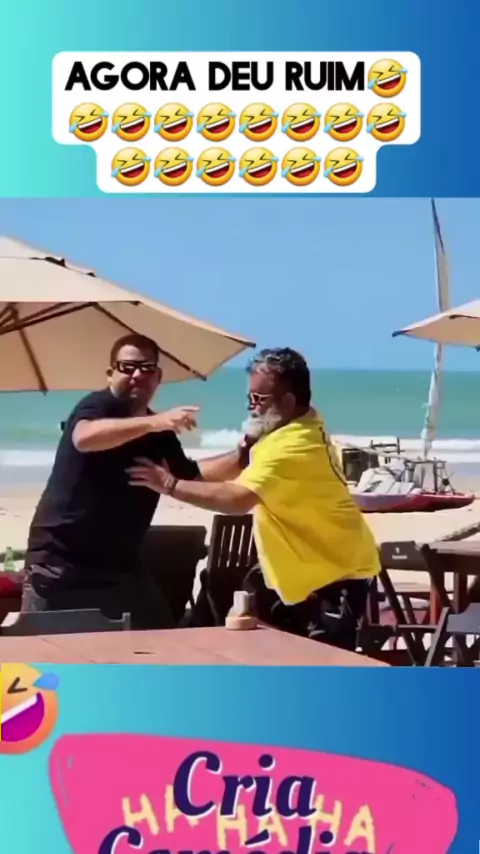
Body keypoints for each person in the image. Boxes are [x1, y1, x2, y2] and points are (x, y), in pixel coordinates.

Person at [129, 347, 380, 649]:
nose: (251, 405)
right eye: (249, 396)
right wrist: (187, 471)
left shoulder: (292, 446)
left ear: (288, 402)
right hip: (302, 574)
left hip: (335, 575)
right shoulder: (295, 425)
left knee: (324, 666)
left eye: (259, 398)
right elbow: (236, 466)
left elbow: (237, 499)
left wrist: (169, 484)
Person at [22, 333, 252, 629]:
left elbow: (193, 476)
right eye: (127, 367)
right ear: (111, 373)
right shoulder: (98, 406)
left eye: (146, 368)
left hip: (121, 567)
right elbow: (84, 438)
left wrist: (244, 455)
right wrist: (154, 422)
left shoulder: (159, 433)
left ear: (158, 377)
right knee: (44, 651)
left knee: (162, 640)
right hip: (59, 565)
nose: (137, 375)